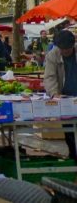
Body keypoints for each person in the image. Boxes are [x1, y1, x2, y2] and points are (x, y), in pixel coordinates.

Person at [44, 30, 77, 163]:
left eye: (68, 49)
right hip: (65, 97)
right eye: (62, 49)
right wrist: (54, 94)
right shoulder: (53, 55)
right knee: (69, 130)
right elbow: (50, 77)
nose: (65, 51)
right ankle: (74, 158)